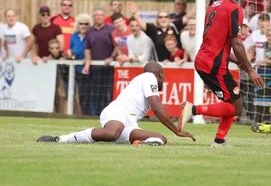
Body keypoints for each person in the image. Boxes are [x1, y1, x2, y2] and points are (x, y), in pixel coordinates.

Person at [178, 0, 264, 147]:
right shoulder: (234, 9)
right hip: (213, 65)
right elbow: (236, 43)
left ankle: (219, 141)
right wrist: (250, 70)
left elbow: (218, 42)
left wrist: (238, 62)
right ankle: (193, 110)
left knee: (232, 102)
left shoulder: (213, 6)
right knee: (237, 107)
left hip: (206, 60)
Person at [37, 62, 195, 145]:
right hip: (116, 113)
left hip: (129, 122)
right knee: (113, 132)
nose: (163, 80)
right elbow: (156, 105)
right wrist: (176, 130)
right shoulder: (149, 77)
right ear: (159, 73)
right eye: (163, 76)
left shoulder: (144, 80)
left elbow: (156, 106)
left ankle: (140, 145)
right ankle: (61, 139)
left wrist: (173, 131)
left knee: (159, 139)